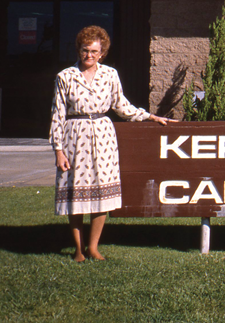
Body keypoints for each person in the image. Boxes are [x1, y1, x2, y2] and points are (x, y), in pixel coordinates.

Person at [49, 25, 174, 262]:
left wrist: (150, 116)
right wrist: (58, 150)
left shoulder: (110, 75)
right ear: (79, 50)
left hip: (104, 137)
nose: (89, 55)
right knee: (75, 195)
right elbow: (57, 115)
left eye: (95, 51)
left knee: (101, 194)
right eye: (85, 50)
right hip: (74, 136)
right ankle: (78, 249)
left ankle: (93, 247)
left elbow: (121, 106)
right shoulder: (65, 77)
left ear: (102, 52)